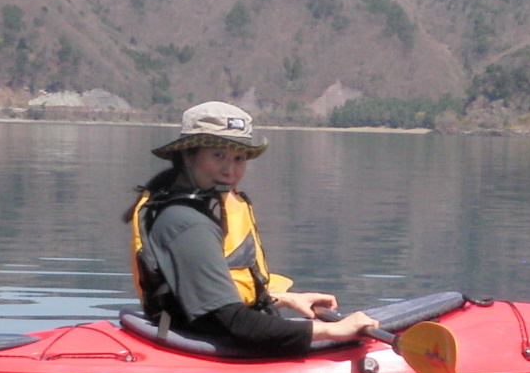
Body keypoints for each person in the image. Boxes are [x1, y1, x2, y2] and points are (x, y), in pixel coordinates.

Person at [125, 101, 378, 355]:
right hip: (212, 346)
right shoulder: (185, 222)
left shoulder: (196, 208)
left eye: (239, 158)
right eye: (218, 155)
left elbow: (214, 305)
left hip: (216, 331)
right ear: (188, 155)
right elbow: (237, 323)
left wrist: (287, 299)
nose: (230, 170)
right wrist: (333, 330)